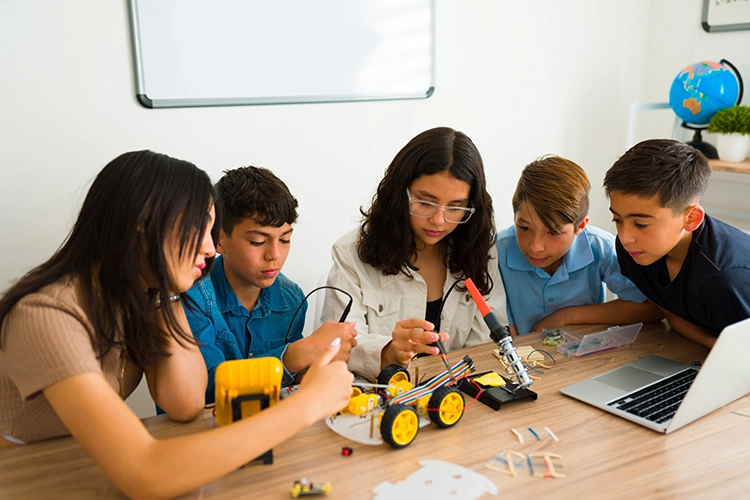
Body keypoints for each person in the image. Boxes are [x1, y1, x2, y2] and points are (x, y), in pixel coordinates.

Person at [0, 151, 353, 499]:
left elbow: (184, 403)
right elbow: (145, 473)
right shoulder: (48, 314)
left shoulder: (144, 295)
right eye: (199, 229)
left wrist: (167, 291)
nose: (210, 249)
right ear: (143, 225)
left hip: (79, 466)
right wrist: (306, 405)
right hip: (23, 475)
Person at [321, 126, 506, 382]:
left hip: (456, 397)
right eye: (426, 202)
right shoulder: (351, 254)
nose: (438, 220)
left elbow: (485, 345)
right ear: (400, 192)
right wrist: (387, 353)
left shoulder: (479, 250)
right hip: (375, 401)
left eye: (456, 207)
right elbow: (335, 346)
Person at [184, 166, 357, 404]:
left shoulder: (291, 298)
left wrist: (315, 366)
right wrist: (291, 358)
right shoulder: (192, 294)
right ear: (219, 240)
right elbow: (201, 389)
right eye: (257, 241)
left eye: (285, 239)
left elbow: (290, 384)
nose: (274, 254)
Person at [603, 138, 750, 349]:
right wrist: (716, 345)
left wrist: (721, 349)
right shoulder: (636, 251)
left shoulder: (723, 282)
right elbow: (671, 314)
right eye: (617, 220)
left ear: (691, 218)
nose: (625, 237)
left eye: (641, 224)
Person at [496, 155, 662, 336]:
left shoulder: (601, 248)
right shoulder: (495, 252)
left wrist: (568, 315)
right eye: (524, 227)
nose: (535, 247)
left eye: (553, 232)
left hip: (584, 356)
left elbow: (652, 308)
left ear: (580, 226)